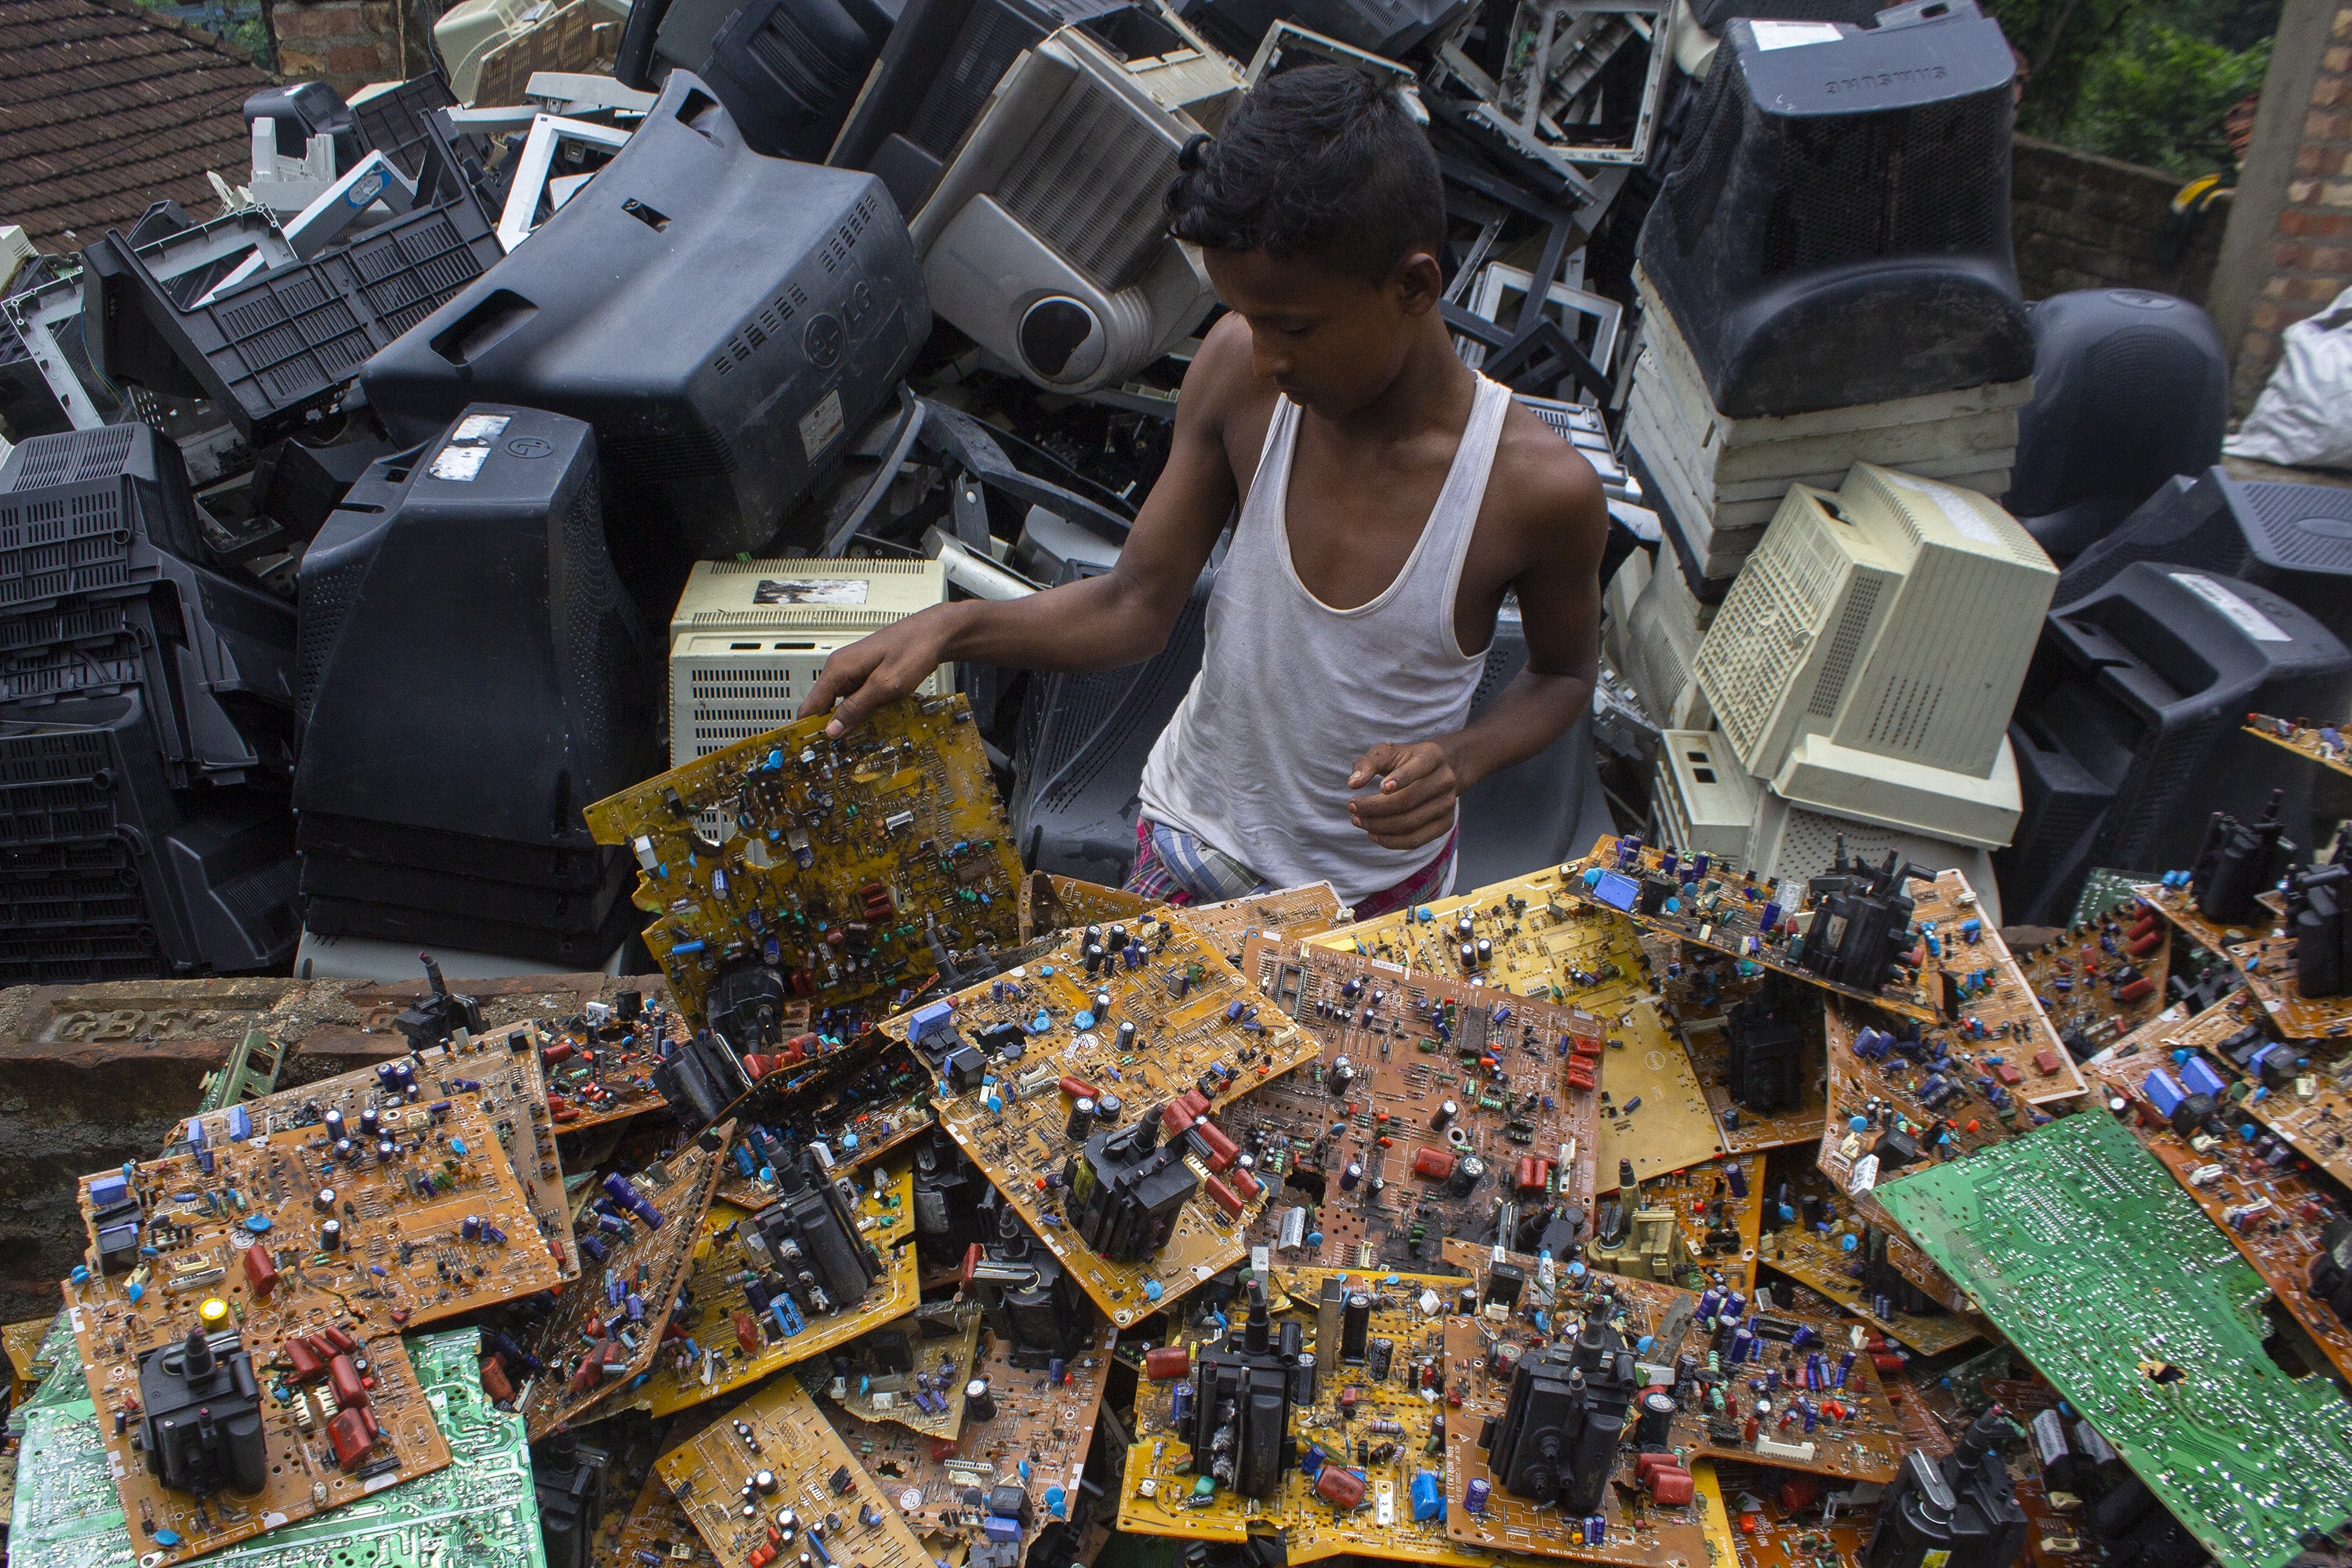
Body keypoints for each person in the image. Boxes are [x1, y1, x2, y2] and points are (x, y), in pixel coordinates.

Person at [798, 64, 1608, 916]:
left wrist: (1462, 756)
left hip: (1368, 895)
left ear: (1414, 285)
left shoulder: (1534, 490)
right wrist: (950, 627)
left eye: (1291, 326)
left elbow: (1561, 674)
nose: (1262, 357)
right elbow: (1133, 604)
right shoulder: (1241, 373)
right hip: (1189, 843)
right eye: (1247, 319)